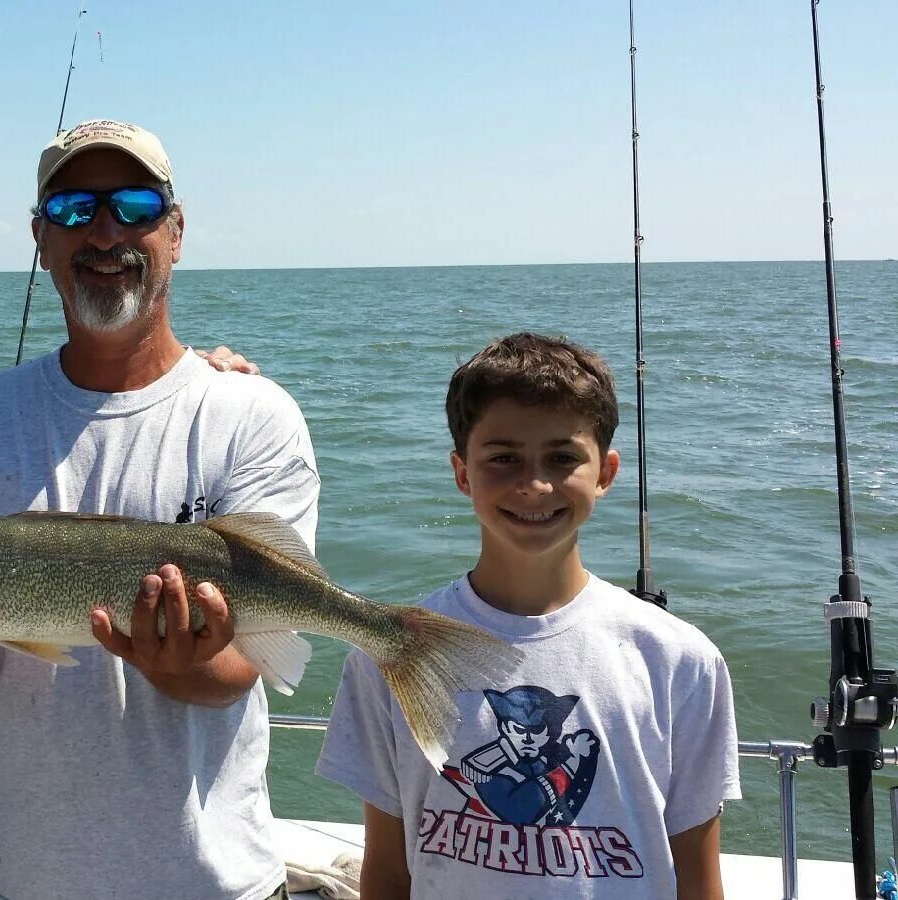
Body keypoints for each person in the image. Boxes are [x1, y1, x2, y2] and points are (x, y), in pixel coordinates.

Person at [0, 119, 319, 899]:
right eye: (73, 212)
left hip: (213, 882)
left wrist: (186, 663)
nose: (105, 232)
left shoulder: (252, 415)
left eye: (133, 205)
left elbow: (240, 670)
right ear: (39, 240)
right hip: (11, 882)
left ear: (176, 231)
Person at [316, 333, 740, 898]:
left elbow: (698, 877)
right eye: (502, 458)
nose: (534, 484)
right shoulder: (388, 655)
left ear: (606, 472)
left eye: (562, 458)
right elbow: (389, 872)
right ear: (462, 472)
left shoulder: (680, 660)